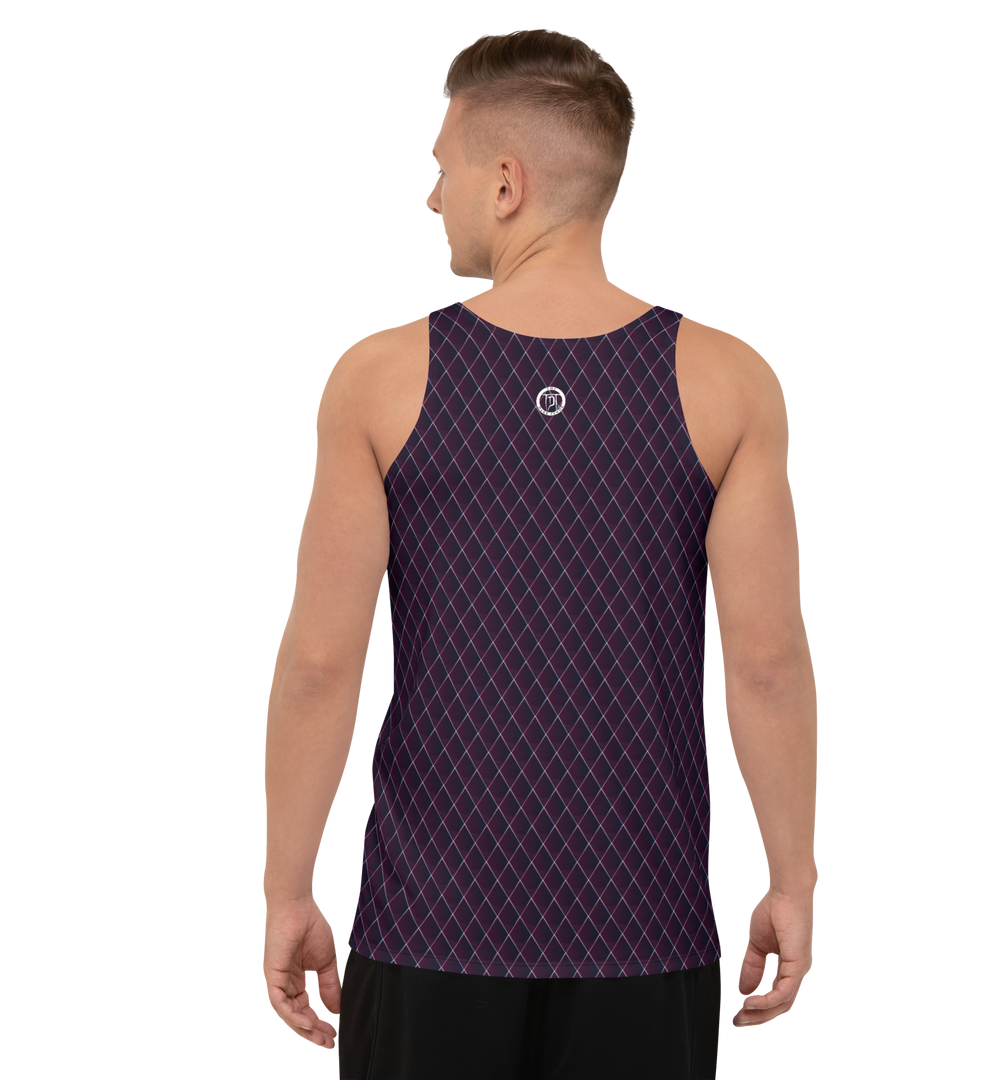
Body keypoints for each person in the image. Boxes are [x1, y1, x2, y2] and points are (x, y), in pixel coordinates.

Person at [261, 24, 819, 1079]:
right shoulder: (729, 378)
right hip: (648, 933)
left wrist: (287, 891)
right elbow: (766, 662)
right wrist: (793, 880)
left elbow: (323, 664)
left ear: (506, 183)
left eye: (441, 168)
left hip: (425, 932)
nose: (429, 197)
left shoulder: (380, 375)